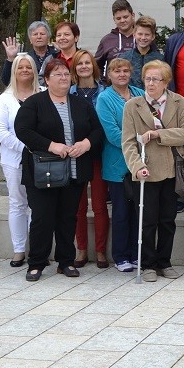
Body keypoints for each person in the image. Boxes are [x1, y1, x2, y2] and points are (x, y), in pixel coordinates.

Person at [15, 59, 104, 281]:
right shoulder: (34, 103)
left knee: (68, 217)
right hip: (44, 170)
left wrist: (86, 144)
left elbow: (97, 131)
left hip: (74, 171)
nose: (63, 78)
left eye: (66, 74)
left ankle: (65, 261)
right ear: (46, 79)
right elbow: (23, 130)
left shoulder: (80, 104)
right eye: (58, 74)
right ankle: (36, 263)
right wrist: (51, 145)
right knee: (42, 218)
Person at [121, 60, 184, 282]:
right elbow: (128, 142)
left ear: (166, 82)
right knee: (147, 220)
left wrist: (158, 135)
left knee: (167, 219)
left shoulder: (178, 102)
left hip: (172, 169)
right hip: (146, 170)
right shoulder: (133, 105)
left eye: (156, 79)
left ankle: (165, 261)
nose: (151, 83)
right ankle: (148, 264)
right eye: (147, 79)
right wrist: (137, 167)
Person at [95, 57, 144, 273]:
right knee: (122, 212)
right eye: (117, 71)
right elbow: (112, 132)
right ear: (109, 75)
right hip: (118, 164)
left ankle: (135, 254)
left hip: (142, 161)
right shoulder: (104, 98)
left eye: (125, 70)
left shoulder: (140, 94)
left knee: (138, 211)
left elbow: (151, 120)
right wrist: (139, 140)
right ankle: (121, 255)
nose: (122, 74)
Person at [0, 53, 40, 267]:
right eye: (20, 67)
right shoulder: (5, 98)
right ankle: (19, 249)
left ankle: (37, 250)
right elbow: (1, 131)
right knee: (17, 203)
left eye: (28, 67)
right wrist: (25, 147)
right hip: (13, 159)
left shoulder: (43, 95)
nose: (24, 70)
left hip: (40, 160)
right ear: (14, 71)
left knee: (37, 205)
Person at [70, 49, 108, 267]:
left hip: (99, 153)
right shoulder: (69, 93)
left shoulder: (104, 92)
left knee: (100, 205)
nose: (84, 66)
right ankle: (81, 250)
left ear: (93, 66)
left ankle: (101, 251)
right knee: (79, 206)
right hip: (76, 154)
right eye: (79, 63)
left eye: (87, 62)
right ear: (74, 68)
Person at [0, 20, 58, 86]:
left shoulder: (57, 56)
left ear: (48, 38)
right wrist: (11, 58)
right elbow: (6, 81)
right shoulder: (25, 58)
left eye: (42, 34)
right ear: (30, 39)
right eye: (35, 34)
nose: (39, 37)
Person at [94, 0, 137, 78]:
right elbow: (96, 66)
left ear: (133, 15)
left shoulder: (143, 38)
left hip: (140, 89)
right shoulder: (106, 40)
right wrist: (103, 83)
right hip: (113, 88)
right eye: (118, 18)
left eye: (125, 17)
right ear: (114, 19)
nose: (122, 20)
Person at [123, 16, 164, 89]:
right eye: (140, 34)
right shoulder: (124, 58)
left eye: (147, 34)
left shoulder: (160, 60)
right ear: (134, 34)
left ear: (153, 36)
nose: (143, 38)